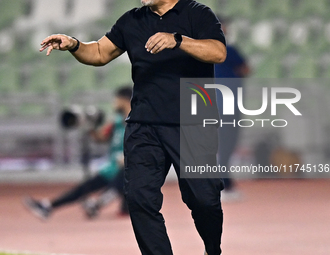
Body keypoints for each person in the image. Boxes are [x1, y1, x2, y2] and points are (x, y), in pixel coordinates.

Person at [38, 0, 227, 254]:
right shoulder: (132, 20)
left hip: (193, 123)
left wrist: (178, 40)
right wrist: (74, 44)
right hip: (144, 125)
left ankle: (212, 249)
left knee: (204, 200)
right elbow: (99, 53)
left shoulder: (198, 14)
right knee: (139, 199)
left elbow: (218, 52)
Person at [23, 86, 132, 220]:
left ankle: (98, 203)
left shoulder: (136, 121)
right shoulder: (116, 121)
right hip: (114, 168)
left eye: (116, 99)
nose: (114, 102)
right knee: (85, 188)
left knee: (126, 175)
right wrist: (89, 126)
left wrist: (128, 157)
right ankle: (48, 206)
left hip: (130, 169)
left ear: (124, 100)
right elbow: (101, 137)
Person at [214, 17, 251, 202]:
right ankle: (222, 184)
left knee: (224, 146)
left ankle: (224, 182)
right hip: (225, 105)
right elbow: (245, 69)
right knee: (225, 145)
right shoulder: (228, 51)